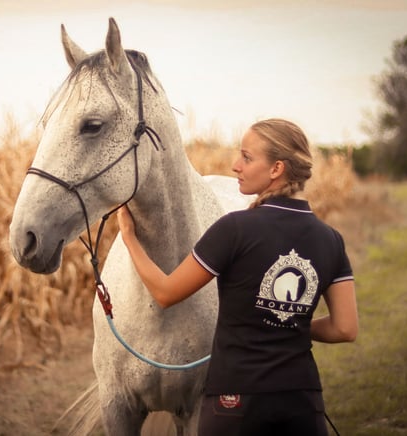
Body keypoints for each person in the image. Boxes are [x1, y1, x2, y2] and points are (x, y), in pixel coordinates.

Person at [116, 118, 358, 435]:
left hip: (235, 403)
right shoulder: (331, 240)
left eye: (247, 157)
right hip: (302, 401)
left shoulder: (234, 229)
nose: (235, 166)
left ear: (277, 169)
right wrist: (289, 322)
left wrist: (129, 239)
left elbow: (165, 293)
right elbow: (345, 328)